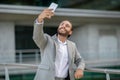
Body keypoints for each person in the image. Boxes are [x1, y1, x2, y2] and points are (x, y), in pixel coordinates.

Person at [33, 9, 85, 80]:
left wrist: (80, 69)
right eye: (62, 24)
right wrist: (40, 19)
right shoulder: (47, 40)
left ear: (70, 32)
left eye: (67, 26)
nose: (63, 26)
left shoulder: (72, 45)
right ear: (58, 27)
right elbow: (37, 37)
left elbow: (79, 60)